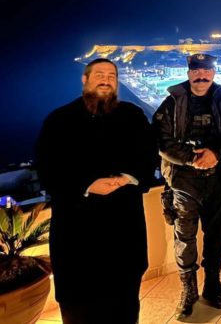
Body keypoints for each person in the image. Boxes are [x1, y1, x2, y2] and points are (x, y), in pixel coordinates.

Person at [36, 58, 157, 324]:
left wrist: (126, 178)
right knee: (79, 309)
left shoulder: (133, 116)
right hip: (77, 235)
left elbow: (149, 157)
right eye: (99, 74)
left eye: (111, 76)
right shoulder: (59, 120)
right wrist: (88, 185)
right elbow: (47, 169)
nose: (106, 80)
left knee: (125, 306)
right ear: (85, 79)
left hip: (124, 231)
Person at [153, 53, 221, 316]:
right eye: (196, 71)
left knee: (216, 236)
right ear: (189, 74)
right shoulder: (172, 102)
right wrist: (192, 160)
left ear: (213, 74)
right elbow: (161, 140)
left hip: (218, 179)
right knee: (185, 239)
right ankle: (189, 290)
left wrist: (216, 154)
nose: (201, 76)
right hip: (184, 183)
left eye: (206, 71)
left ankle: (213, 286)